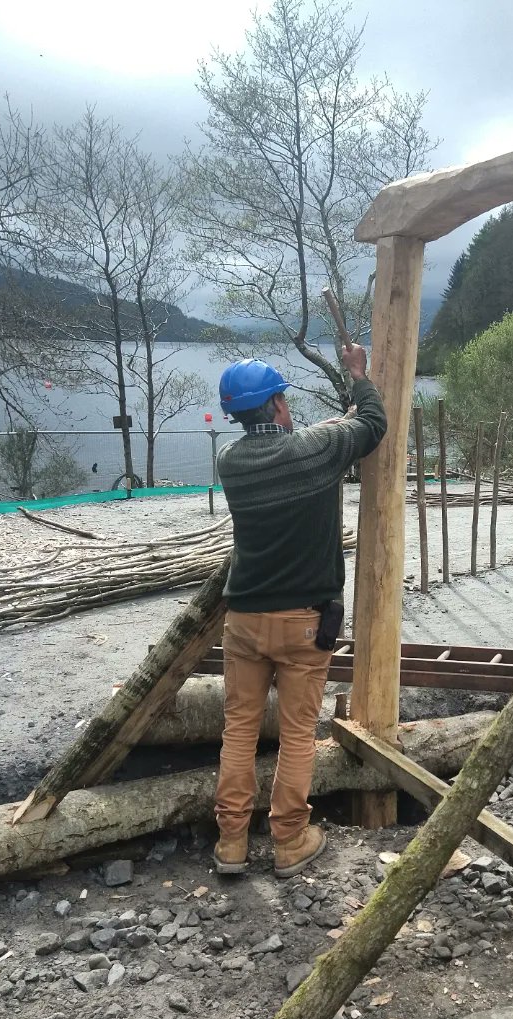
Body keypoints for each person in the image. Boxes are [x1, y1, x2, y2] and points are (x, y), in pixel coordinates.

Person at [212, 344, 386, 878]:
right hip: (304, 623)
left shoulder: (230, 461)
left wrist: (339, 420)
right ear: (280, 406)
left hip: (243, 621)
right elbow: (373, 424)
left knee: (239, 730)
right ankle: (289, 840)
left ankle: (231, 844)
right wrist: (358, 375)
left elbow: (326, 435)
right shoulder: (316, 449)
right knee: (296, 734)